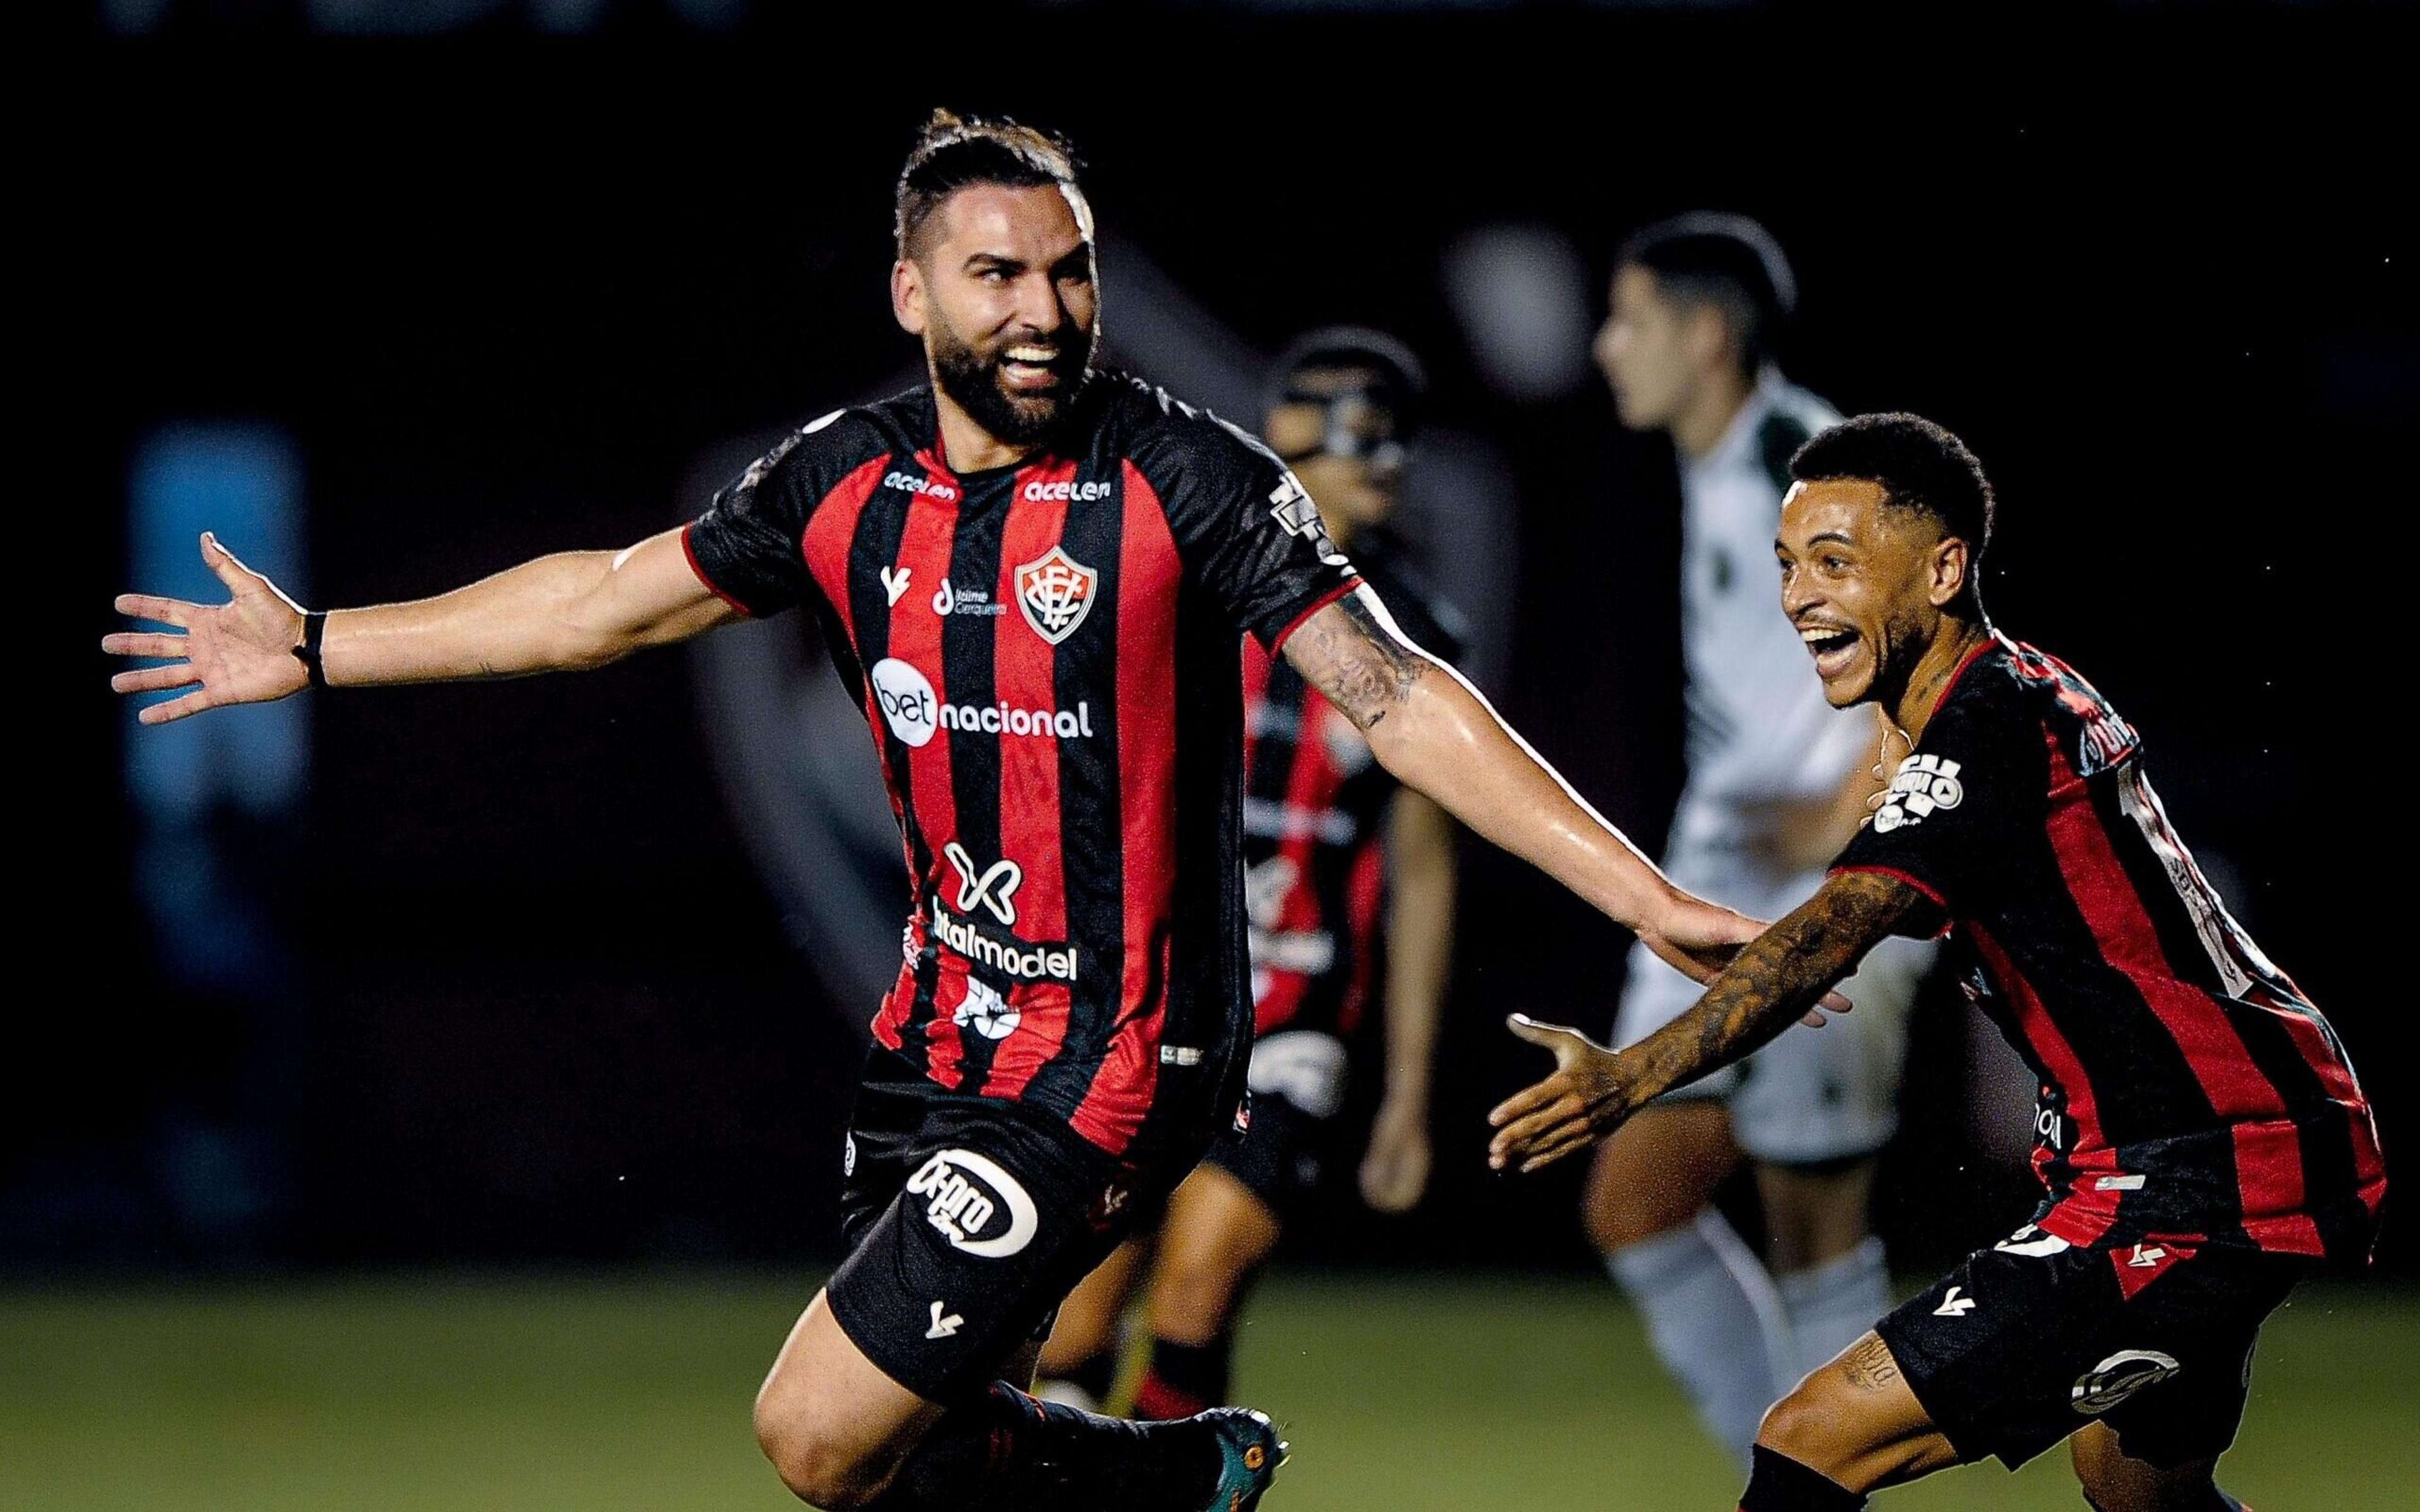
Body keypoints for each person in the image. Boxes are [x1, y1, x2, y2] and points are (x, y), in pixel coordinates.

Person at [107, 111, 1779, 1512]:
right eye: (1000, 275)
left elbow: (1398, 693)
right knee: (914, 1462)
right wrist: (322, 645)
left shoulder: (1184, 476)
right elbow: (602, 602)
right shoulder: (844, 479)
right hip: (937, 1033)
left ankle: (1150, 1477)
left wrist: (1640, 896)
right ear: (914, 291)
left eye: (1070, 271)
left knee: (814, 1432)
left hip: (1120, 1047)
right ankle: (1163, 1480)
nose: (1046, 310)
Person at [1487, 413, 2387, 1512]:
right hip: (2242, 1142)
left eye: (1836, 561)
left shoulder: (1988, 723)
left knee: (1813, 1436)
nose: (1799, 596)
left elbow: (1837, 929)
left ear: (1946, 567)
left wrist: (1633, 1075)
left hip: (2200, 1170)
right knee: (2136, 1494)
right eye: (1786, 565)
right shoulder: (2001, 696)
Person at [1034, 329, 1464, 1419]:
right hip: (1151, 1002)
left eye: (1396, 448)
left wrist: (1407, 1094)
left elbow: (1420, 877)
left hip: (1297, 1017)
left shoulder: (1417, 639)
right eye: (1361, 445)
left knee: (1196, 1291)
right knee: (1076, 1325)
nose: (1385, 472)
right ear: (1289, 452)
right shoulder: (1184, 591)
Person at [1584, 213, 1934, 1462]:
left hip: (1835, 890)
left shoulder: (1806, 464)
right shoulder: (1728, 466)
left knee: (1815, 1231)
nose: (1605, 345)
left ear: (1705, 334)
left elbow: (1943, 646)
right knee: (1634, 1204)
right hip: (1725, 884)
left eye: (1628, 319)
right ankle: (1783, 1480)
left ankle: (1819, 1491)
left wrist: (1847, 820)